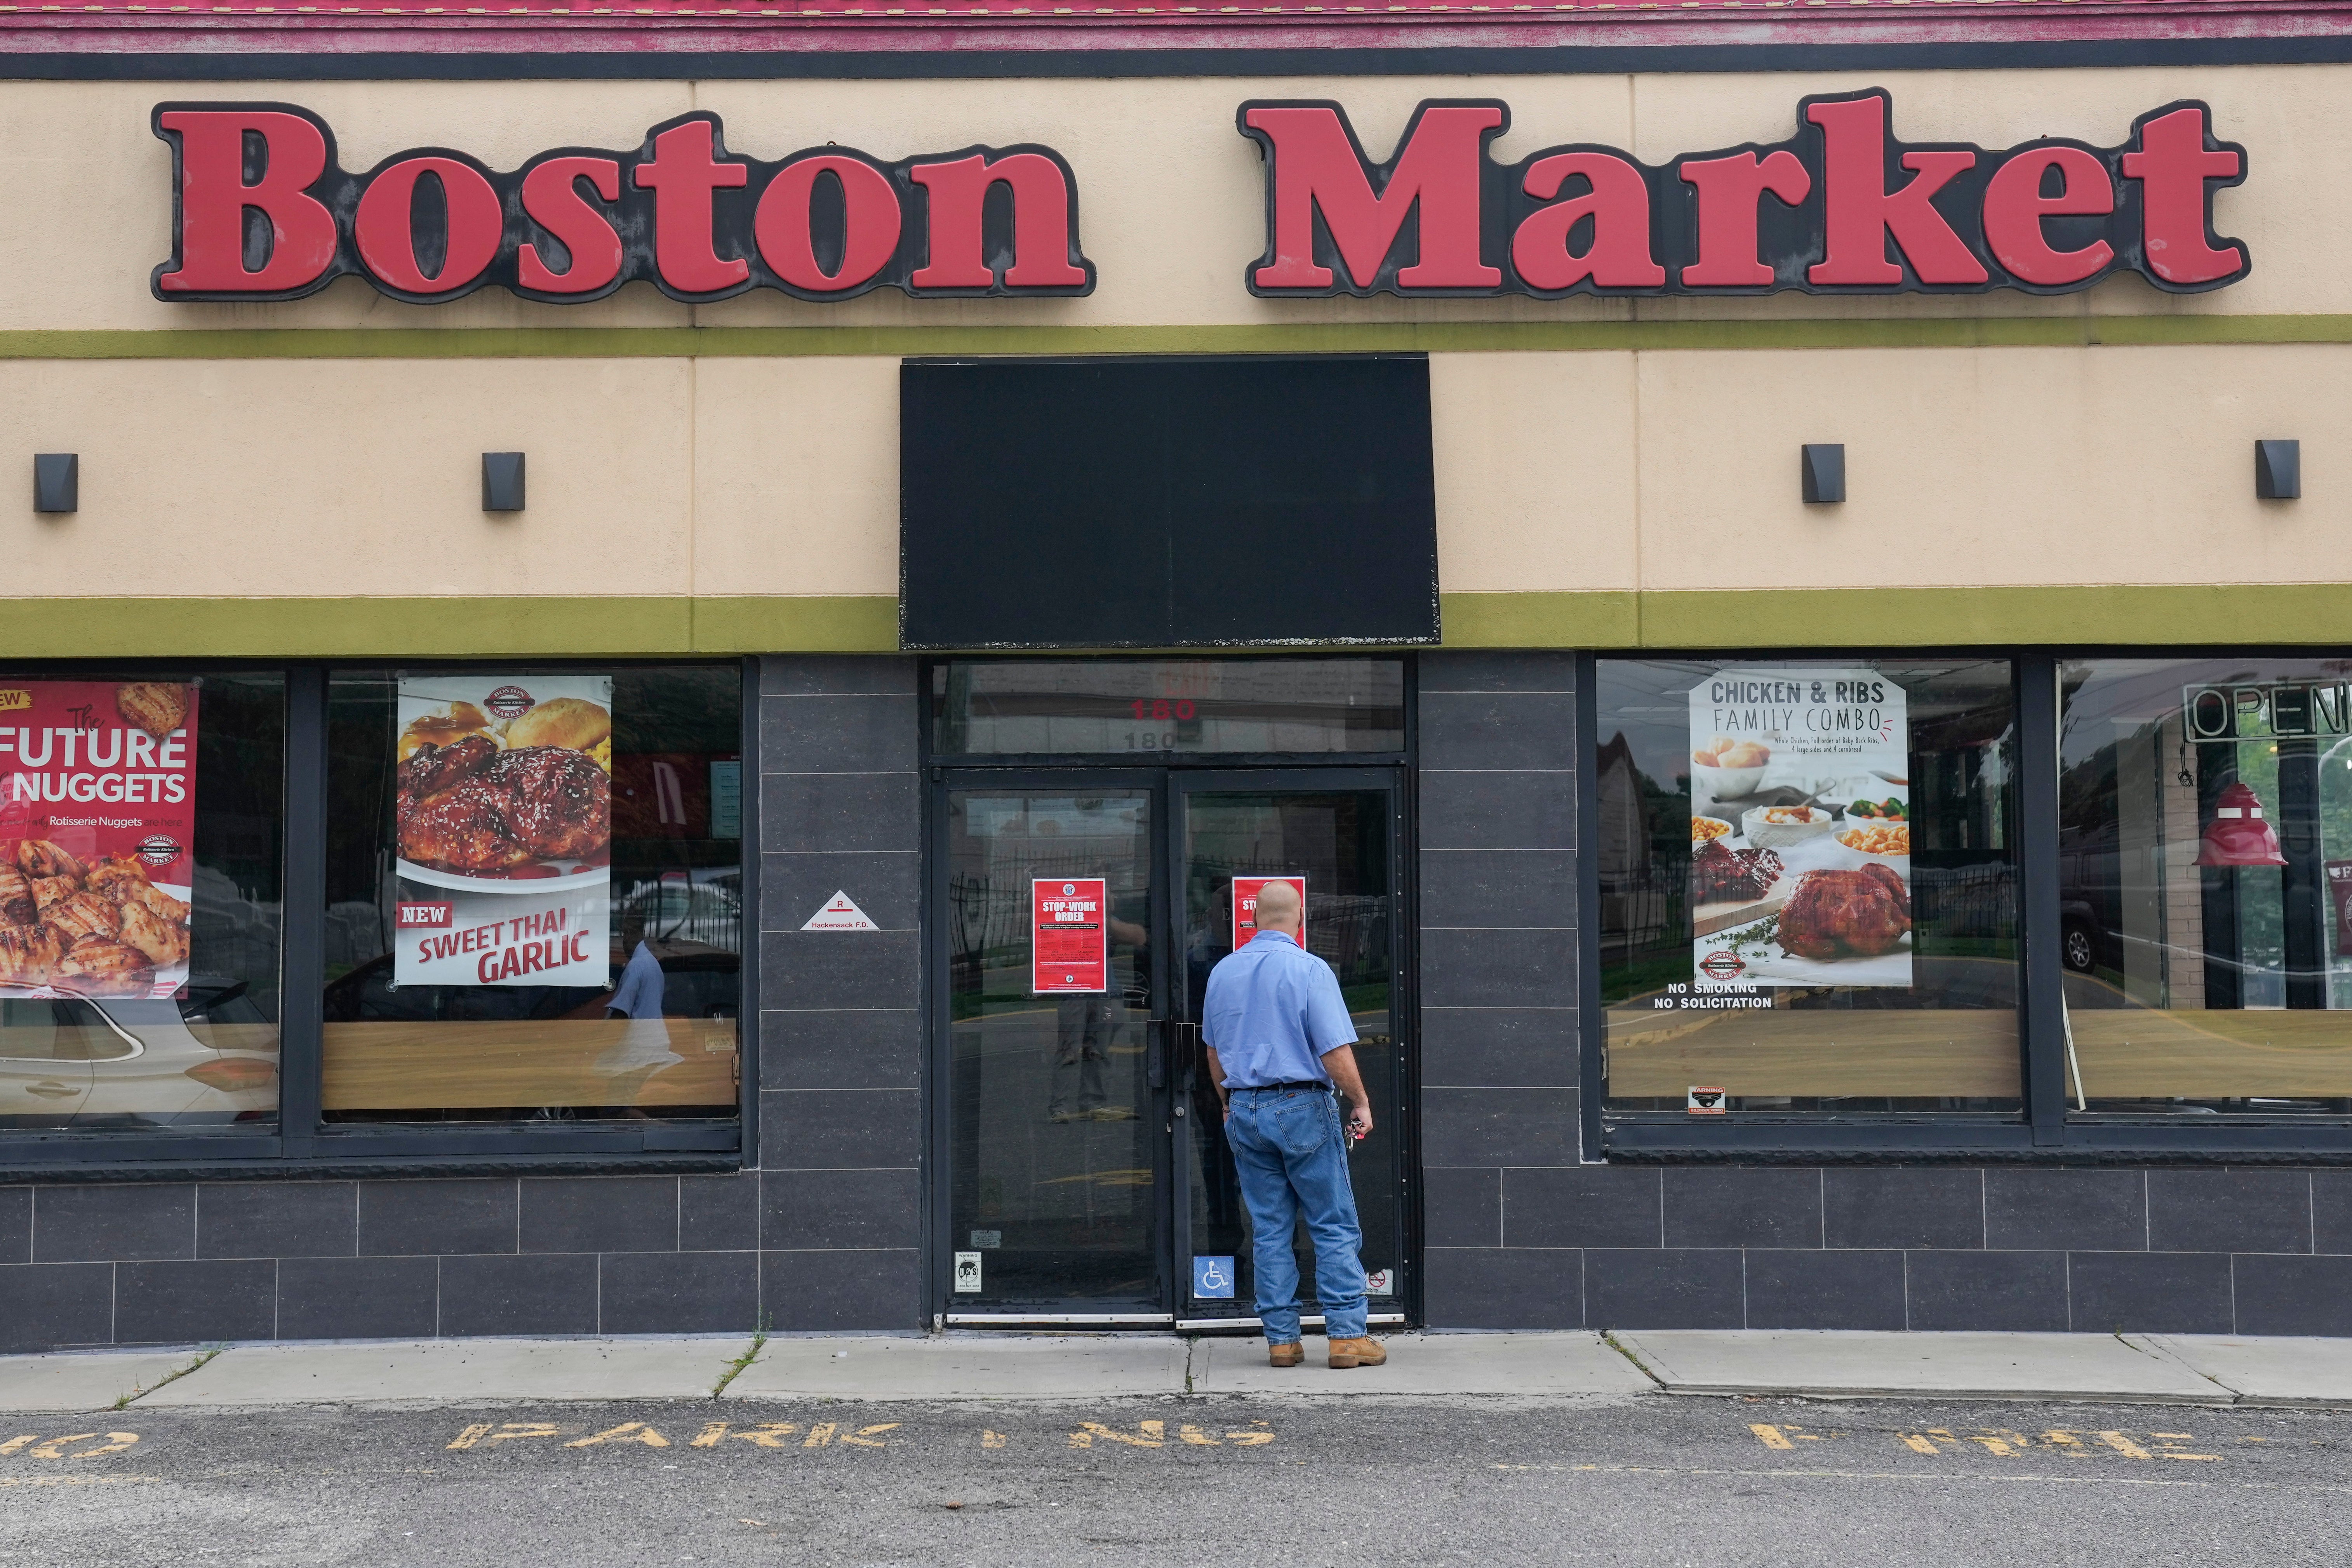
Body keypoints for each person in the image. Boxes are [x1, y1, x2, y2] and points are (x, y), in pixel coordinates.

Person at [1201, 878, 1383, 1371]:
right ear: (1300, 918)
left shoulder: (1223, 972)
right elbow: (1333, 1049)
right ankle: (1347, 1335)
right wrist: (1360, 1100)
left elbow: (1213, 1052)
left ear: (1253, 919)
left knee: (1269, 1227)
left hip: (1244, 1108)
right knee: (1332, 1222)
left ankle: (1281, 1340)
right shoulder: (1309, 968)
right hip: (1301, 1105)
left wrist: (1226, 1102)